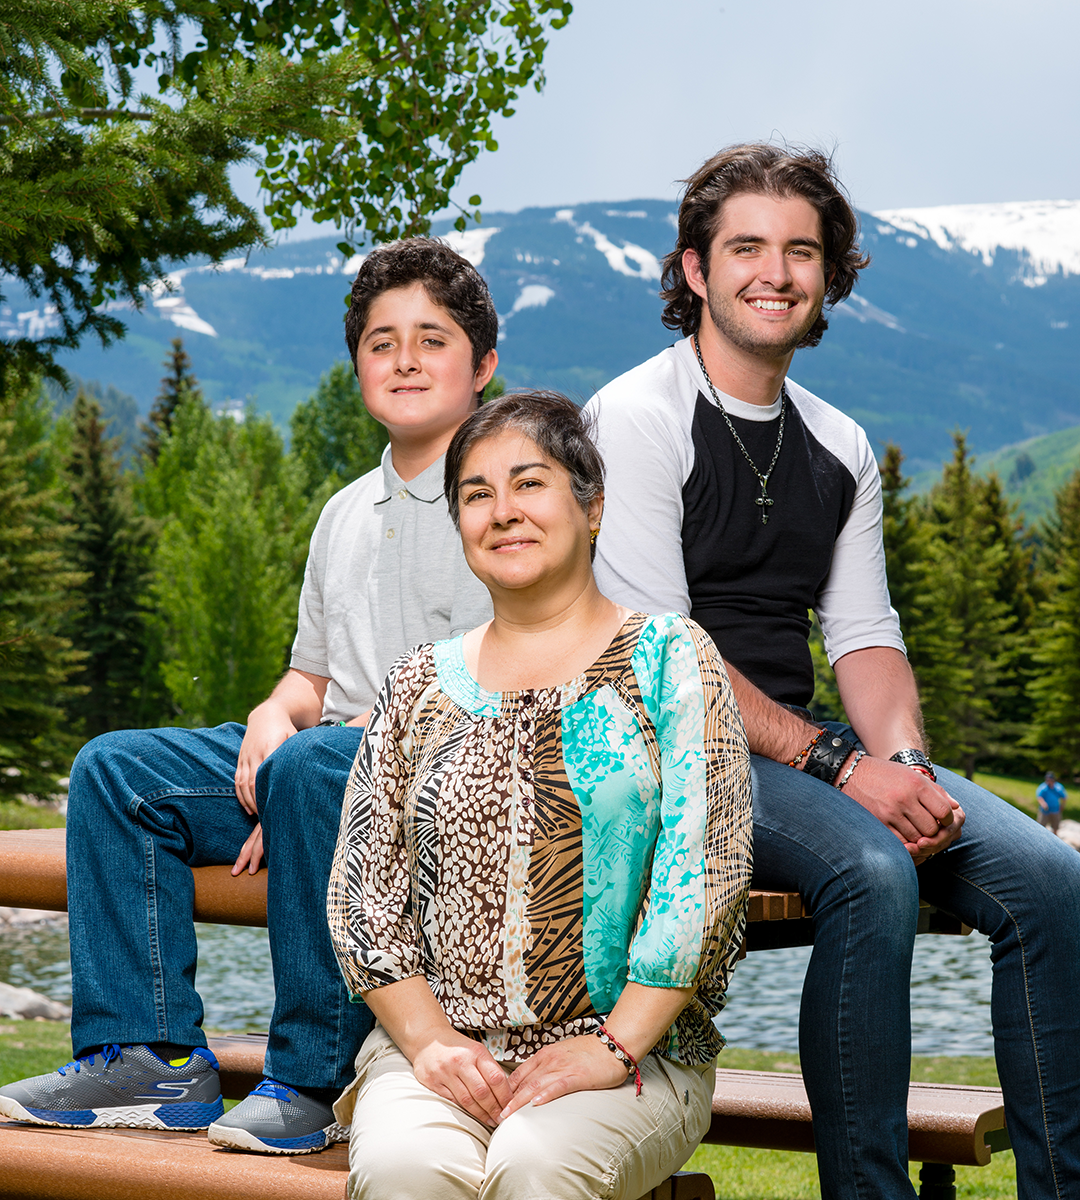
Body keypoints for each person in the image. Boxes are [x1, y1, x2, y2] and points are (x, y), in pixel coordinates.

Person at [584, 143, 1080, 1200]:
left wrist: (907, 766)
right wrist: (848, 770)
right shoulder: (636, 418)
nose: (776, 271)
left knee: (1052, 881)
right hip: (671, 751)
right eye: (747, 248)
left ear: (830, 275)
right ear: (693, 271)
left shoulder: (838, 443)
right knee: (869, 868)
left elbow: (864, 636)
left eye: (802, 250)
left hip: (803, 753)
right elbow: (668, 658)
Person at [0, 237, 499, 1155]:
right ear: (357, 366)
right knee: (116, 771)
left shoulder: (502, 498)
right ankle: (150, 1054)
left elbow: (513, 682)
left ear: (484, 365)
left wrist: (308, 774)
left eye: (433, 339)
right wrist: (274, 719)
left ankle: (314, 1077)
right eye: (382, 342)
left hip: (447, 781)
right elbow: (312, 675)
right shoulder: (346, 510)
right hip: (325, 767)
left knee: (312, 769)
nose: (405, 359)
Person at [326, 391, 753, 1200]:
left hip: (633, 1055)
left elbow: (700, 881)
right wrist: (430, 1045)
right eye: (476, 495)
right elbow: (363, 897)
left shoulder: (669, 660)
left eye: (529, 483)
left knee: (536, 1166)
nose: (502, 512)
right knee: (404, 1170)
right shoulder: (419, 683)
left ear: (590, 507)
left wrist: (612, 1047)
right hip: (440, 1053)